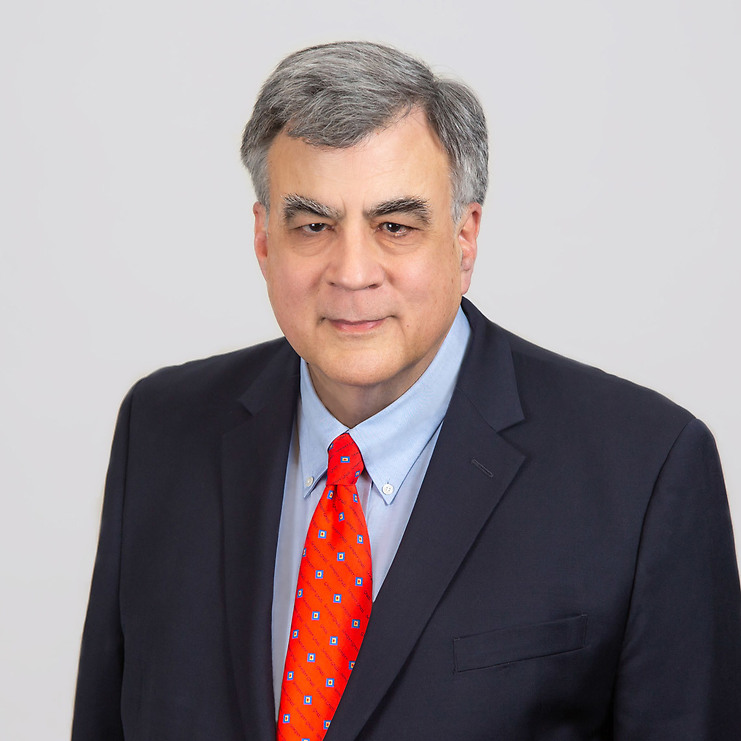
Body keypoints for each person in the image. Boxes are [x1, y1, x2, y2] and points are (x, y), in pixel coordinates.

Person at [72, 41, 741, 740]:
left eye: (395, 226)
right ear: (264, 241)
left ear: (464, 238)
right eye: (313, 226)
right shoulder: (160, 430)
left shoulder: (645, 471)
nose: (352, 272)